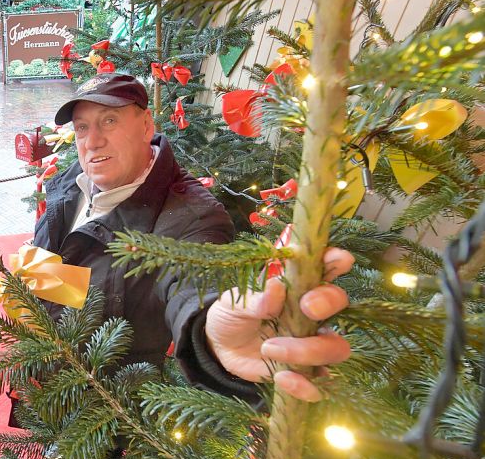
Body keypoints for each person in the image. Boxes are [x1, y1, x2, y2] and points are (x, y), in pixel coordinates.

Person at [38, 73, 352, 403]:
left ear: (146, 125)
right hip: (52, 383)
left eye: (110, 120)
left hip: (110, 414)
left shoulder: (192, 217)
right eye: (82, 127)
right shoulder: (73, 181)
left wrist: (211, 336)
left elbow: (192, 287)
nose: (92, 141)